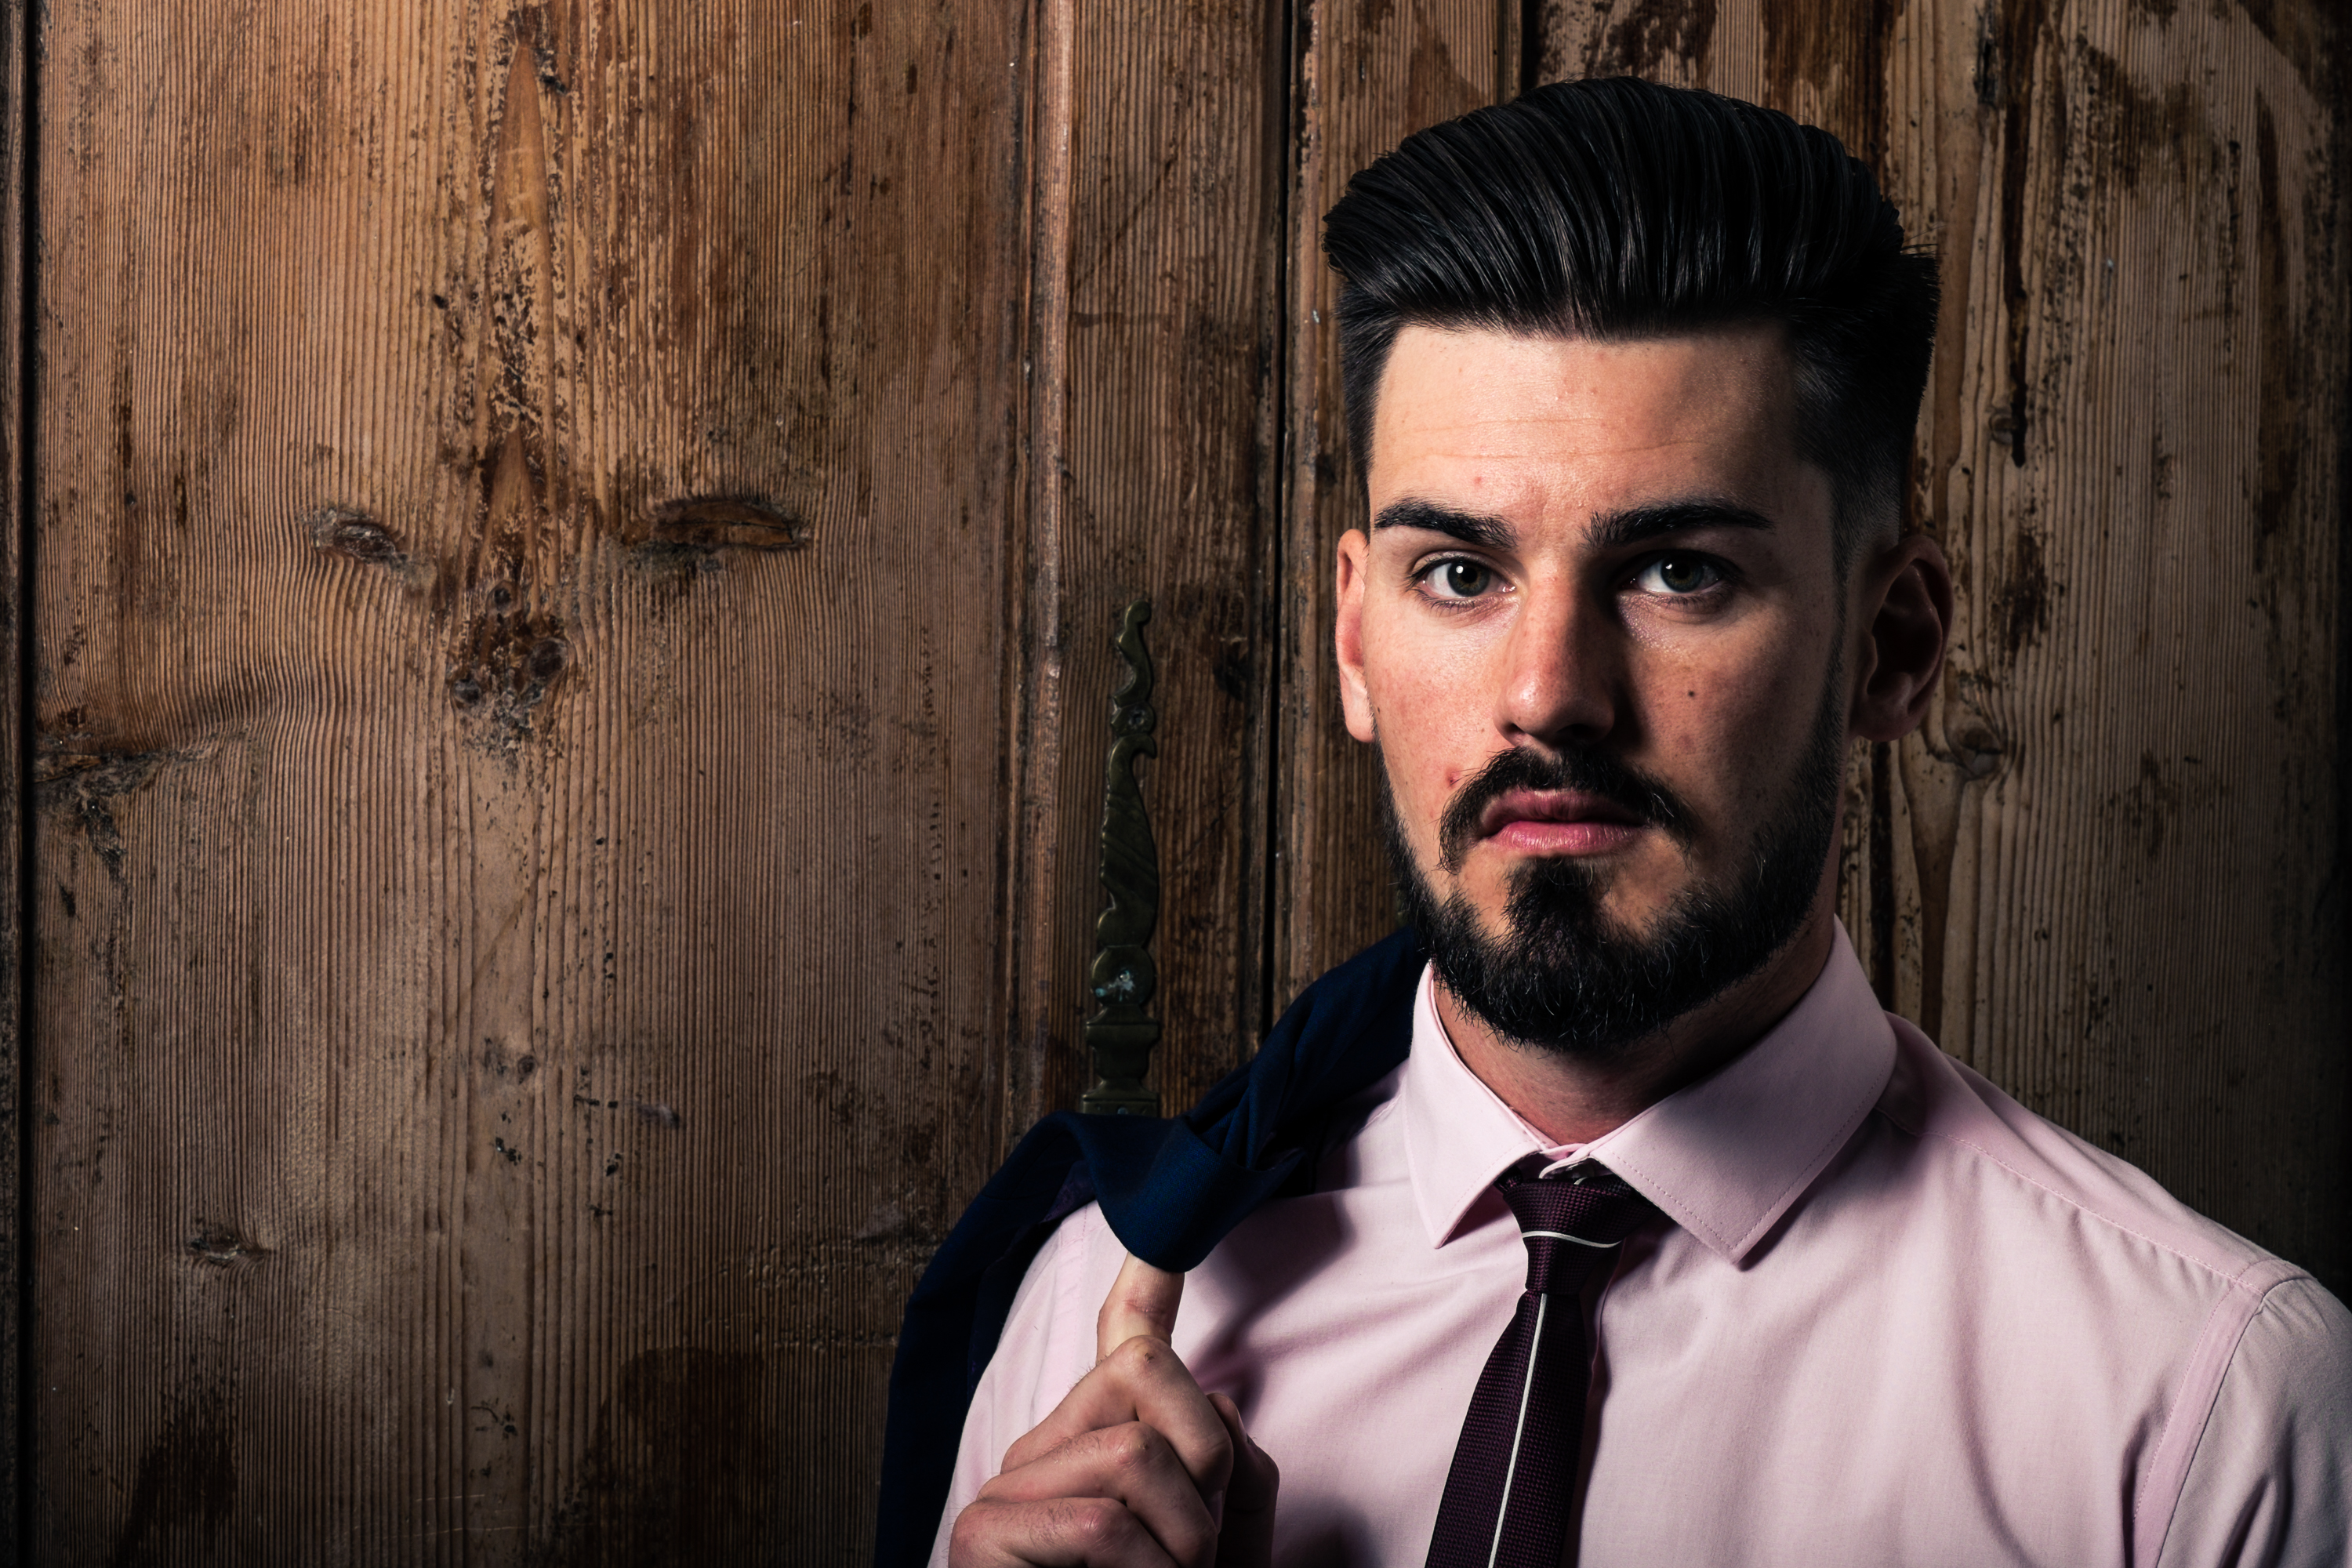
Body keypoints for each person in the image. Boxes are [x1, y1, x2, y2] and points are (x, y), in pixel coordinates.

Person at [880, 77, 2352, 1567]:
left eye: (1678, 574)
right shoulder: (1098, 1326)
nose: (1548, 696)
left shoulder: (2201, 1419)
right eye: (1460, 573)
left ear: (1892, 647)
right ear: (1353, 645)